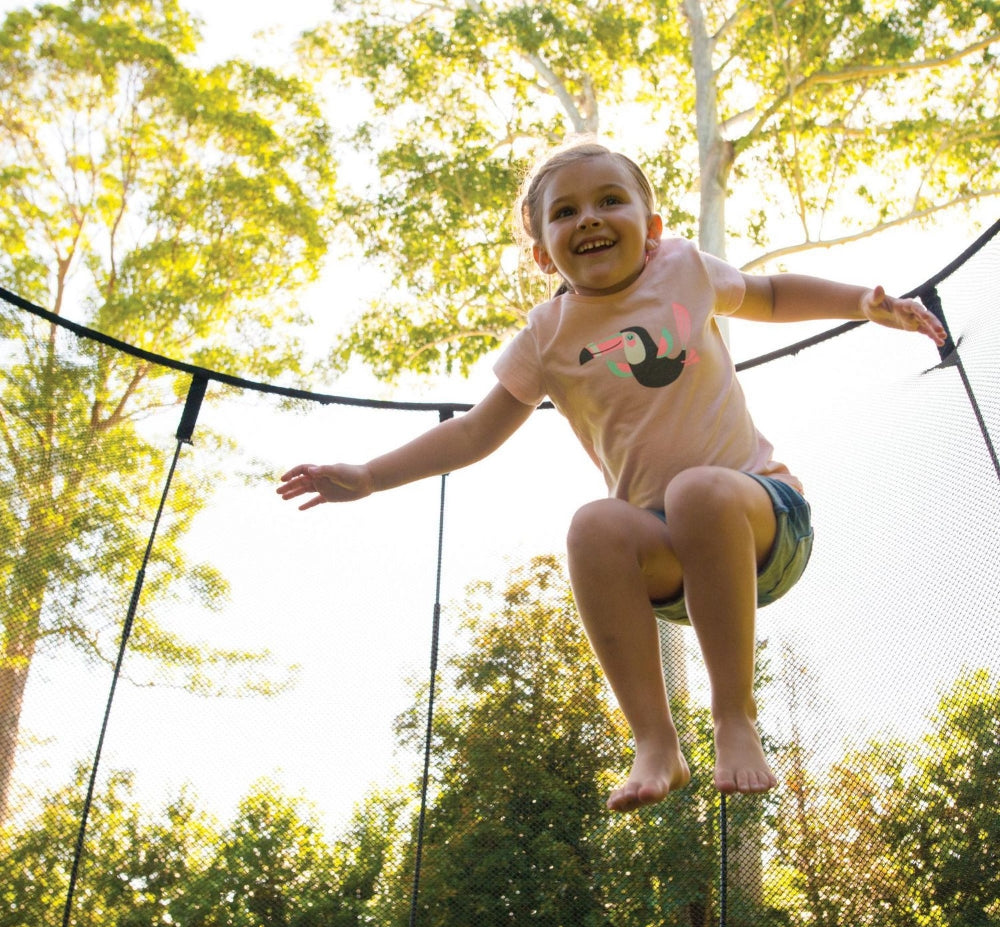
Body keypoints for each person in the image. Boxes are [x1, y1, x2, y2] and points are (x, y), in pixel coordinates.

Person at [277, 140, 946, 812]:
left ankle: (733, 718)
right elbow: (476, 431)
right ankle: (656, 741)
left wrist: (864, 301)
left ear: (651, 228)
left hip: (762, 524)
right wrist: (368, 475)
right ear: (543, 253)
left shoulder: (683, 267)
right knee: (593, 524)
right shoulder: (547, 336)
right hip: (670, 568)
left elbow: (769, 294)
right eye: (565, 212)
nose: (590, 218)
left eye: (610, 201)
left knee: (698, 489)